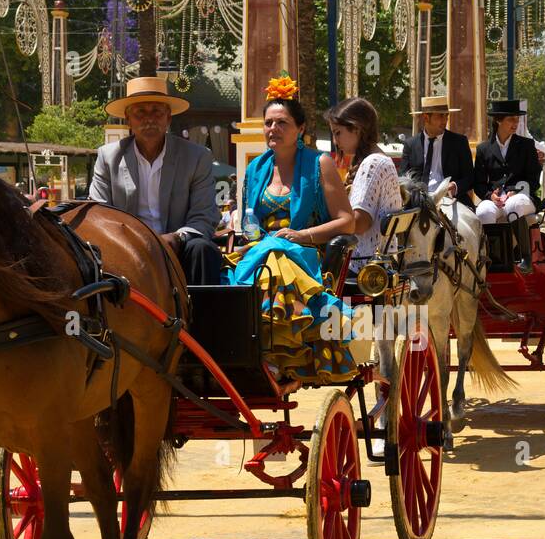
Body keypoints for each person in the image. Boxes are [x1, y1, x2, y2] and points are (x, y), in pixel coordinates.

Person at [229, 76, 358, 386]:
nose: (273, 129)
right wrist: (248, 239)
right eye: (269, 123)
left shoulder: (320, 164)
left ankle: (278, 355)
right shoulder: (255, 168)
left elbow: (347, 221)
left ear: (300, 129)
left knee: (276, 261)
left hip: (306, 255)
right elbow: (248, 224)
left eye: (282, 123)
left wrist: (301, 236)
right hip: (258, 252)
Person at [89, 75, 222, 284]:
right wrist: (131, 244)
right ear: (128, 119)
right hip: (125, 249)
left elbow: (204, 216)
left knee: (203, 249)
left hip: (179, 249)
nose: (149, 119)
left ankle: (203, 316)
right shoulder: (108, 157)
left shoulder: (197, 157)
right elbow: (98, 214)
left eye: (157, 112)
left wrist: (177, 238)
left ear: (168, 118)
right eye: (140, 112)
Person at [325, 97, 402, 271]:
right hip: (377, 264)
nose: (335, 141)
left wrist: (313, 230)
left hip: (360, 269)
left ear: (357, 129)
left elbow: (359, 223)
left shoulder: (372, 163)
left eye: (338, 133)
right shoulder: (380, 160)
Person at [473, 100, 542, 272]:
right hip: (496, 199)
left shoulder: (526, 145)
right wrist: (490, 196)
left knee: (514, 204)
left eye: (516, 119)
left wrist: (514, 191)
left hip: (523, 196)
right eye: (511, 119)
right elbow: (479, 183)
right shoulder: (483, 149)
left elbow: (534, 179)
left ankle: (524, 257)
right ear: (498, 120)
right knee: (483, 211)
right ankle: (493, 259)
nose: (515, 123)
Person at [400, 94, 475, 207]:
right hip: (418, 202)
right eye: (440, 116)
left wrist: (455, 186)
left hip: (452, 201)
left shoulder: (459, 142)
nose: (445, 120)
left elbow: (470, 177)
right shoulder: (410, 145)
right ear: (426, 118)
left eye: (446, 116)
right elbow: (403, 177)